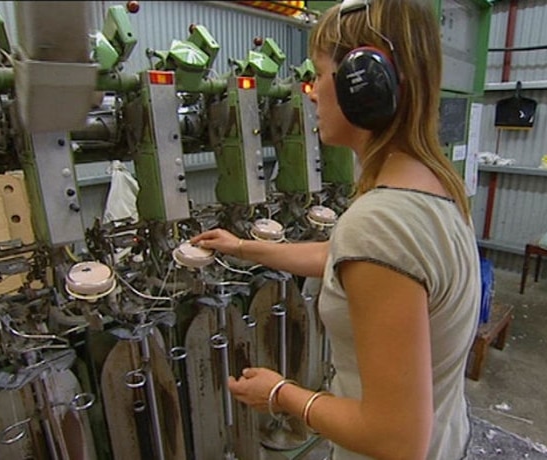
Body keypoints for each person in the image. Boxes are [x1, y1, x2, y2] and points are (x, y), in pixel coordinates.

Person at [190, 0, 480, 458]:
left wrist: (280, 393)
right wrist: (243, 247)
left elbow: (395, 439)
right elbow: (345, 260)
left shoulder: (381, 222)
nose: (309, 92)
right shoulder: (435, 184)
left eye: (319, 74)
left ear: (363, 86)